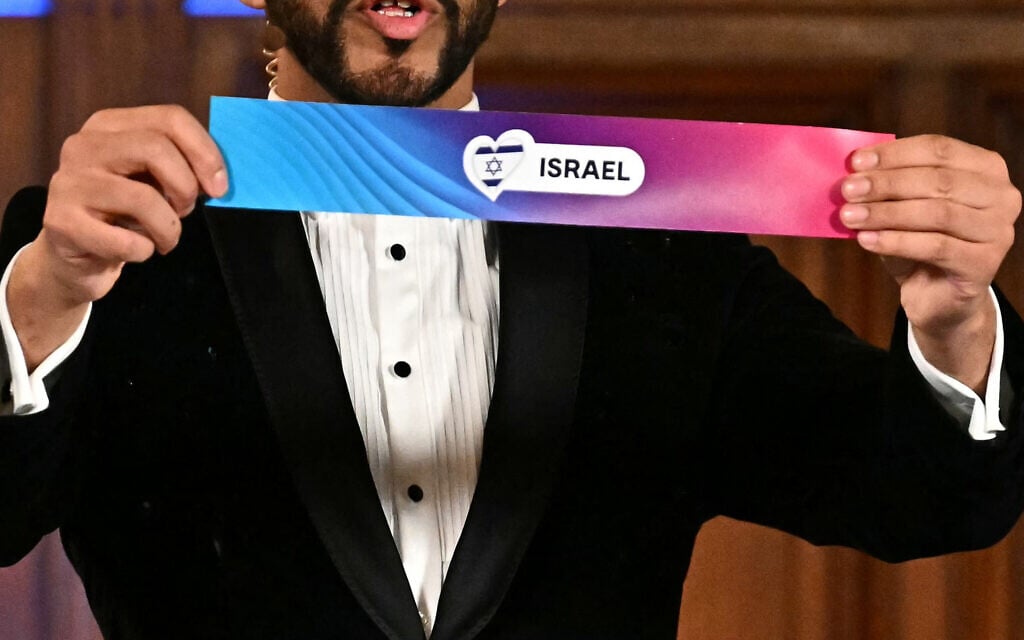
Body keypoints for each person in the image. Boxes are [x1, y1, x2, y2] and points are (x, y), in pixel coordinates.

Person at [1, 0, 1023, 638]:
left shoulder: (667, 258)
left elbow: (928, 499)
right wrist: (43, 298)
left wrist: (956, 327)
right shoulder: (105, 247)